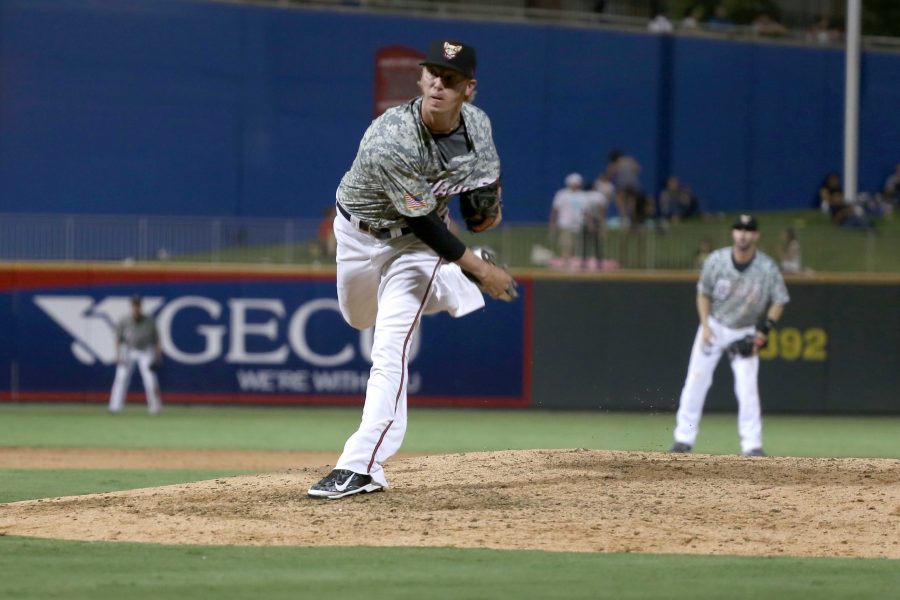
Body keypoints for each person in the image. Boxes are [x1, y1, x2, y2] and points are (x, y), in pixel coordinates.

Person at [308, 39, 515, 499]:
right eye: (433, 75)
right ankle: (460, 276)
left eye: (452, 79)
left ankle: (361, 465)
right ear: (421, 79)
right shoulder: (392, 135)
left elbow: (477, 190)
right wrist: (478, 268)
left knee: (389, 348)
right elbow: (419, 218)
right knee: (359, 317)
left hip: (414, 248)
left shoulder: (478, 126)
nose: (439, 84)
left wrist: (483, 207)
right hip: (360, 235)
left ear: (470, 89)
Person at [670, 215, 789, 457]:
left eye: (748, 229)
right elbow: (703, 294)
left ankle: (752, 444)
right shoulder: (717, 260)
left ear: (756, 235)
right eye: (739, 228)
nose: (743, 233)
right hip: (714, 325)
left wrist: (763, 330)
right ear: (733, 233)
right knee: (695, 382)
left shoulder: (766, 267)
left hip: (744, 330)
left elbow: (780, 300)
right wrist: (705, 325)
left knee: (747, 388)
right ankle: (684, 438)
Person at [108, 294, 163, 415]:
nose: (136, 308)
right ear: (131, 306)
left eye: (138, 305)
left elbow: (157, 339)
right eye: (134, 305)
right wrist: (118, 355)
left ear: (140, 306)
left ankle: (155, 407)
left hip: (145, 350)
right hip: (128, 349)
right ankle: (115, 407)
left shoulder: (149, 321)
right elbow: (118, 339)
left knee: (150, 379)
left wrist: (157, 355)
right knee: (121, 377)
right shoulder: (124, 320)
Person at [548, 173, 588, 269]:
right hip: (565, 225)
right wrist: (552, 223)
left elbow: (586, 211)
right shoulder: (562, 194)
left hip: (579, 225)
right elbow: (555, 210)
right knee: (566, 246)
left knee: (577, 247)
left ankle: (574, 265)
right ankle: (565, 265)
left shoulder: (583, 196)